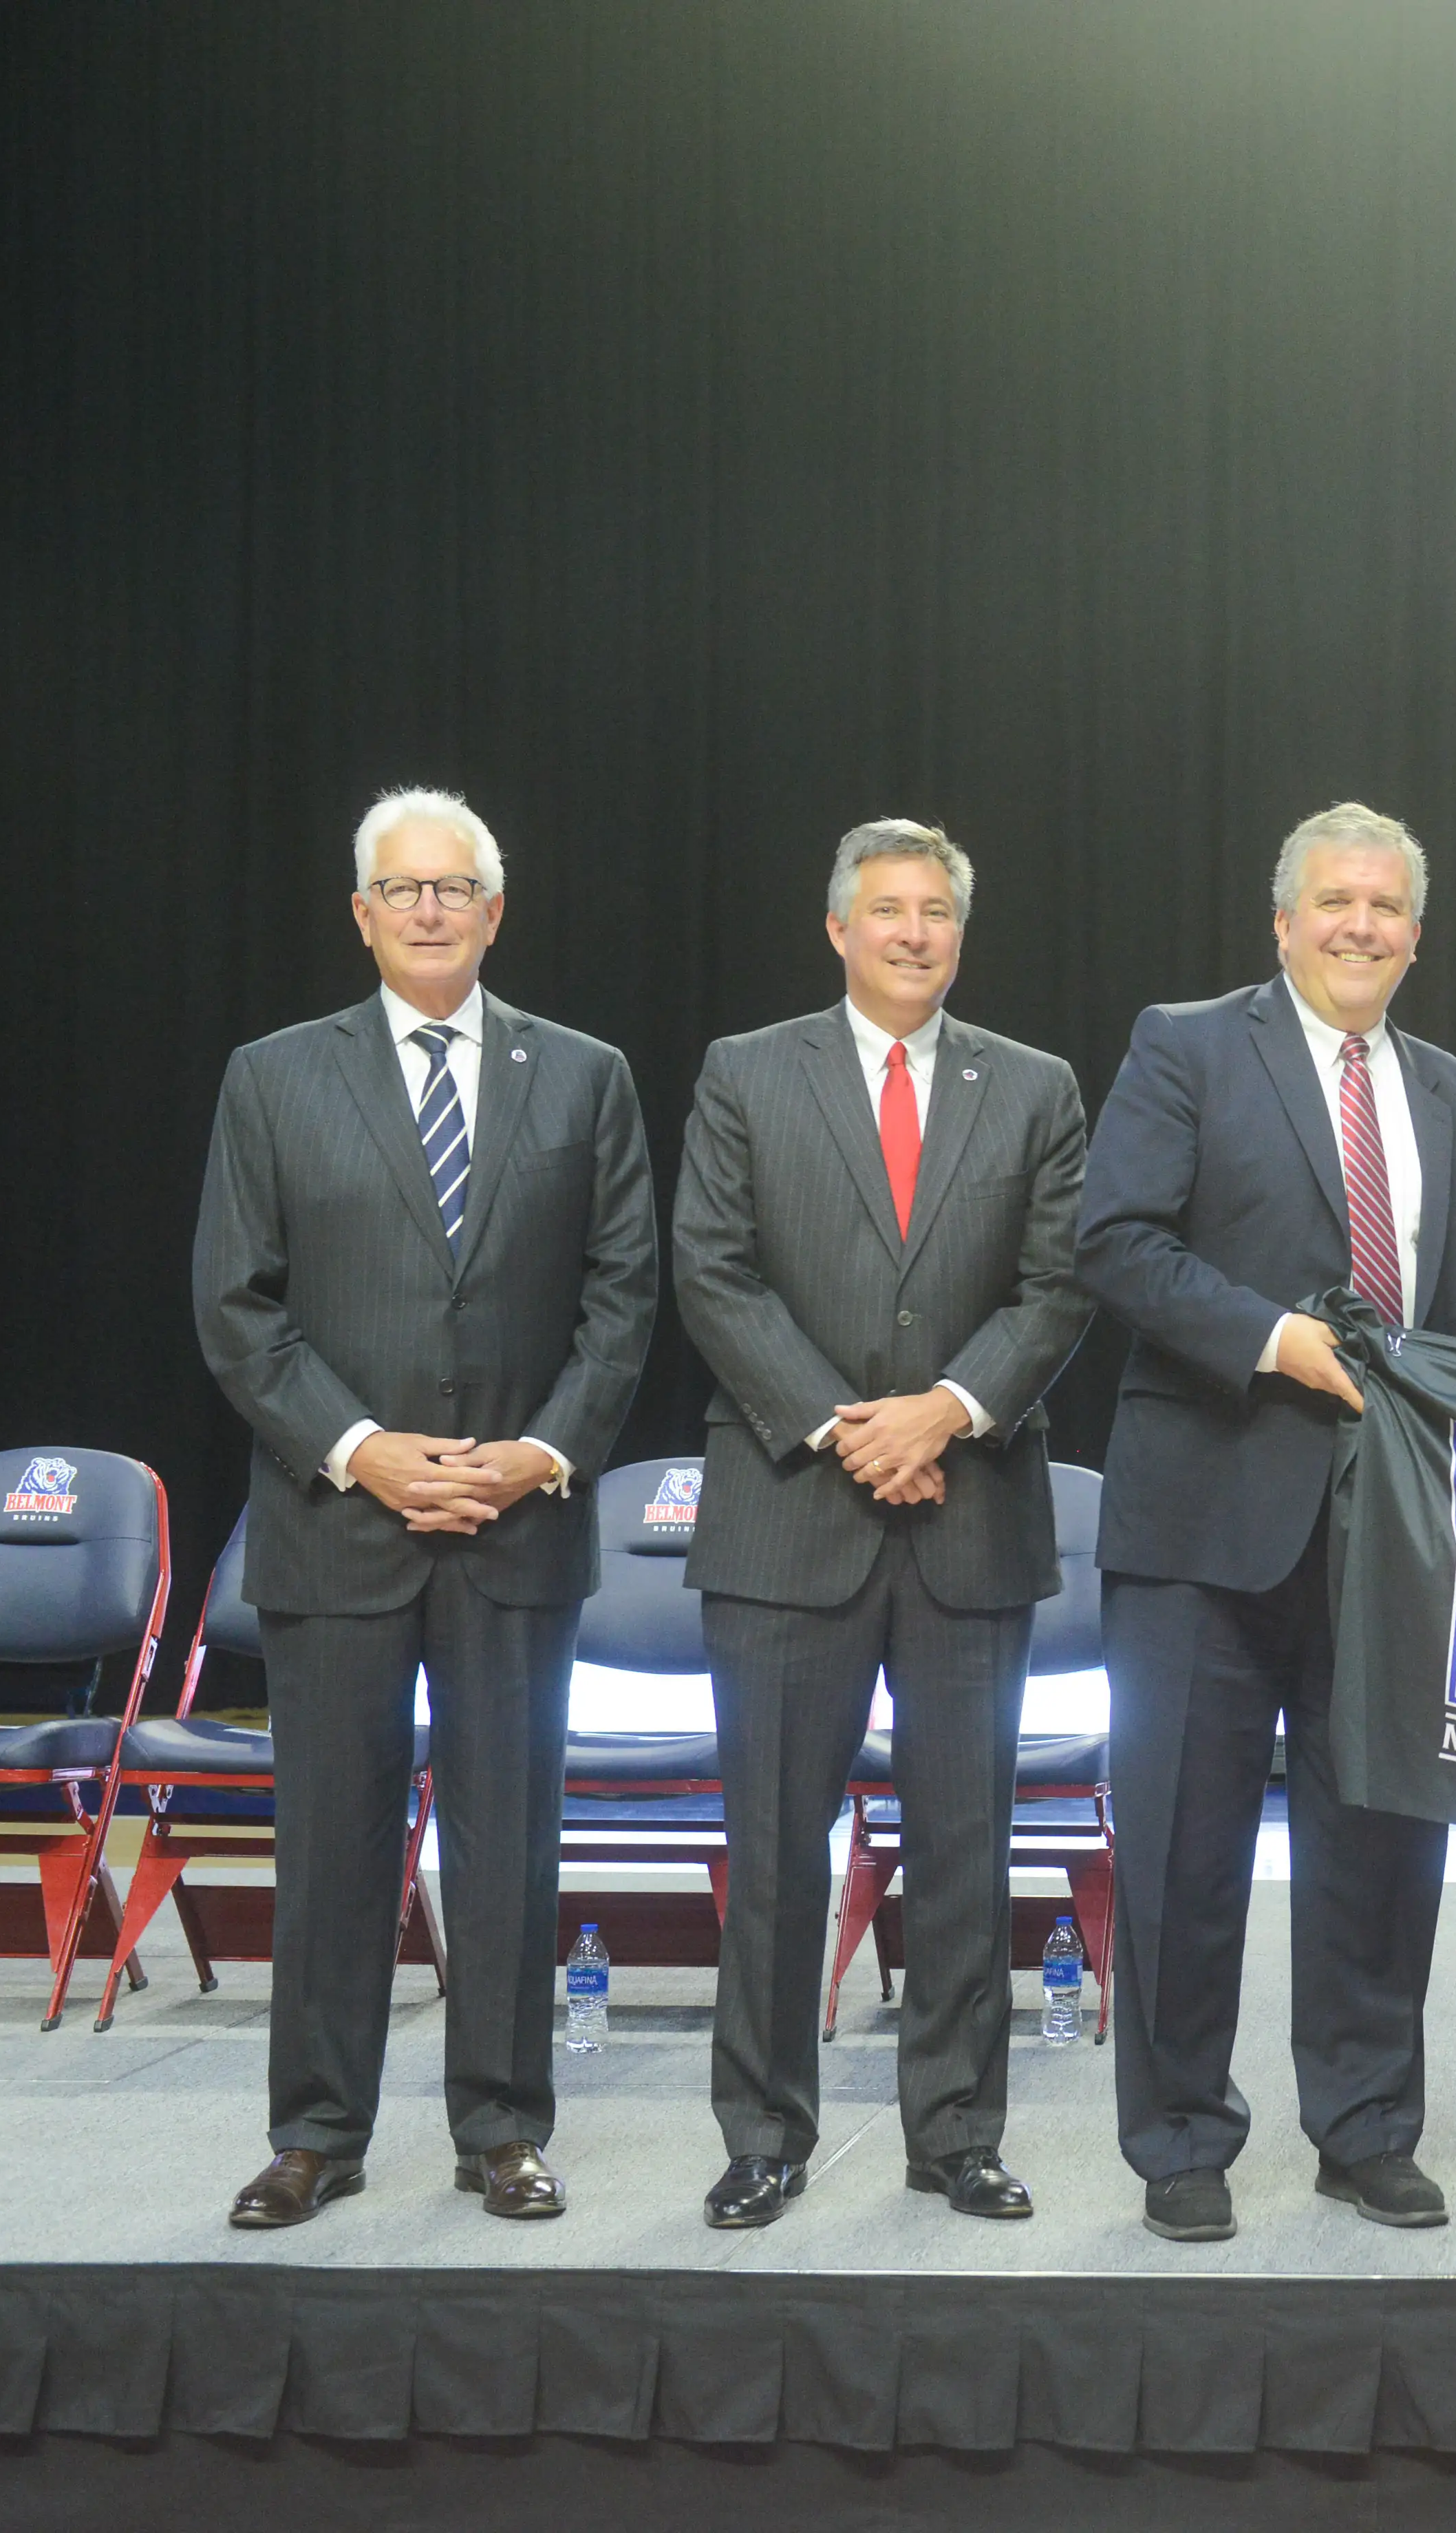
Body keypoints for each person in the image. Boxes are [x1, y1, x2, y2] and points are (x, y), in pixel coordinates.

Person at [1076, 803, 1456, 2243]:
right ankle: (1181, 2139)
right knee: (1185, 1852)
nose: (1360, 926)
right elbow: (1117, 1241)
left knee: (1381, 1845)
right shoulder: (1187, 1045)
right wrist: (1269, 1340)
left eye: (1385, 907)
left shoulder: (1454, 1097)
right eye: (1334, 902)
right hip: (1202, 1525)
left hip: (1392, 1534)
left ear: (1415, 935)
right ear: (1284, 920)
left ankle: (1364, 2129)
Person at [193, 787, 657, 2229]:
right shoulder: (274, 1077)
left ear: (495, 910)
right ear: (363, 914)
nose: (432, 908)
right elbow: (237, 1305)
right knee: (332, 1846)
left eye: (457, 886)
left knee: (508, 1844)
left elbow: (624, 1298)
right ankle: (317, 2133)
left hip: (518, 1524)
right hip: (340, 1525)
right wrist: (363, 1448)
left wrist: (537, 1453)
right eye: (404, 889)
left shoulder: (586, 1077)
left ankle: (503, 2127)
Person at [673, 820, 1093, 2228]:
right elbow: (713, 1274)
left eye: (936, 913)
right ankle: (764, 2135)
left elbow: (1059, 1288)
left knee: (966, 1848)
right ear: (838, 928)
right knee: (778, 1849)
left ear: (958, 936)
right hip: (794, 1509)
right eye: (886, 909)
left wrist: (947, 1412)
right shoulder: (747, 1072)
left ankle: (957, 2134)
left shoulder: (1033, 1088)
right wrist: (855, 1428)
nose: (912, 933)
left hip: (969, 1513)